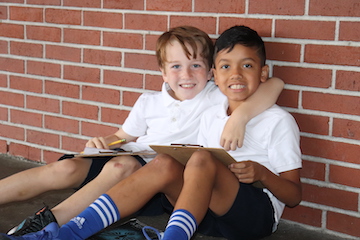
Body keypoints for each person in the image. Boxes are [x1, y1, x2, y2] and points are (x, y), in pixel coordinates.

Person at [0, 25, 301, 240]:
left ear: (208, 73)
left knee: (190, 160)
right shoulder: (190, 105)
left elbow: (273, 86)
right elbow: (124, 135)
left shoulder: (222, 101)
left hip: (249, 209)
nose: (234, 75)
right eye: (226, 67)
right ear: (217, 74)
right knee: (152, 163)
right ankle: (65, 233)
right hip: (201, 203)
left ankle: (57, 225)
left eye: (196, 65)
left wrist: (250, 139)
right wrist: (107, 141)